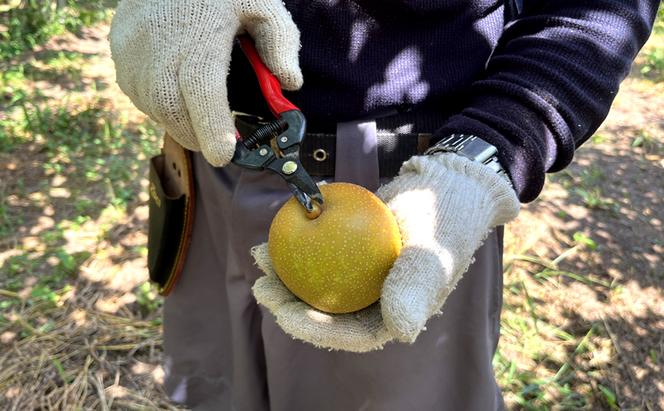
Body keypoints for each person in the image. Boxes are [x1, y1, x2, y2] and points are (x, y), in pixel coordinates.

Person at [109, 1, 658, 410]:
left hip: (415, 200)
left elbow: (593, 11)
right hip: (212, 160)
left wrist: (483, 154)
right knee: (219, 389)